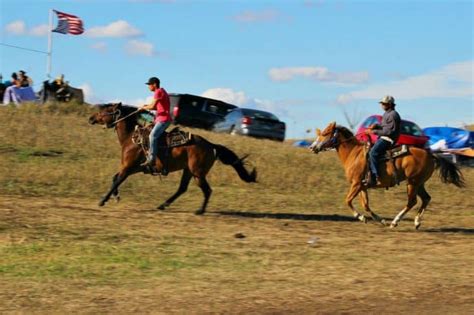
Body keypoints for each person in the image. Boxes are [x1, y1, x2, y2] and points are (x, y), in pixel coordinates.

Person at [364, 95, 401, 187]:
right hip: (383, 137)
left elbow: (389, 131)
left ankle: (376, 177)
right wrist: (376, 125)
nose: (382, 105)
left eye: (384, 104)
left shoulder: (393, 115)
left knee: (373, 153)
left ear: (390, 104)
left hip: (388, 139)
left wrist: (372, 131)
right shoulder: (386, 114)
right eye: (382, 103)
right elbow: (384, 127)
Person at [139, 77, 172, 175]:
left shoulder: (158, 92)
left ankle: (151, 159)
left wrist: (142, 107)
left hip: (163, 120)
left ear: (154, 84)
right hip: (160, 119)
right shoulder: (162, 91)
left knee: (152, 136)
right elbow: (156, 106)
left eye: (149, 84)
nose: (148, 87)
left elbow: (153, 106)